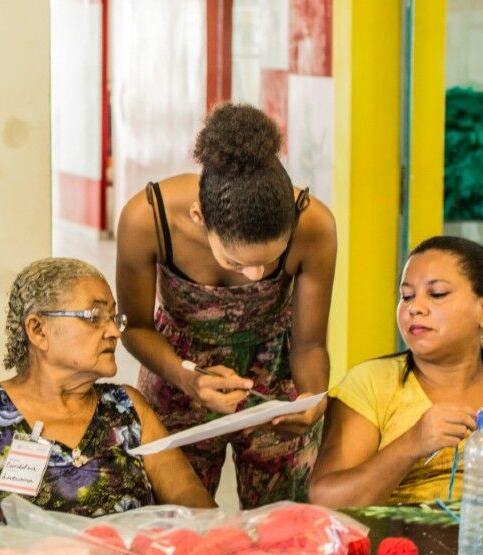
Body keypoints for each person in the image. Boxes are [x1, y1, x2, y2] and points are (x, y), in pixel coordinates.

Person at [115, 103, 337, 508]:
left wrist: (312, 397)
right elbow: (134, 327)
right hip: (176, 374)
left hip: (274, 392)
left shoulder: (315, 225)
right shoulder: (149, 218)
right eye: (236, 262)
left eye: (270, 262)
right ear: (200, 216)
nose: (255, 275)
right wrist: (187, 378)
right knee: (178, 529)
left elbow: (309, 345)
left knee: (281, 532)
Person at [0, 258, 215, 524]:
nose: (113, 331)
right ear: (38, 330)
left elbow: (193, 502)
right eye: (95, 317)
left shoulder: (126, 409)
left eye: (114, 318)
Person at [309, 236, 483, 508]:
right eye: (406, 296)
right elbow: (326, 500)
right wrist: (411, 444)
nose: (415, 307)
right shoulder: (370, 383)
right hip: (400, 549)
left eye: (437, 294)